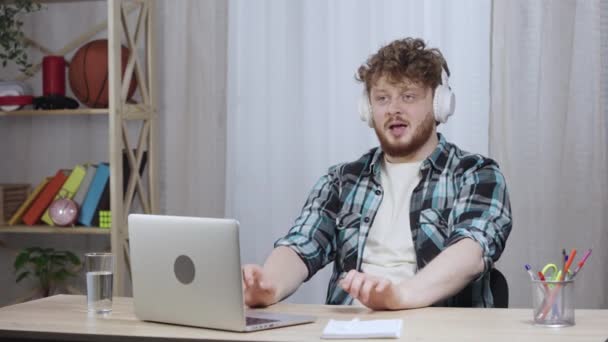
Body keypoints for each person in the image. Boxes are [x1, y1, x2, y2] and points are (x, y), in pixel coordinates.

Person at [242, 37, 512, 310]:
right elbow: (301, 244)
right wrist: (269, 285)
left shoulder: (476, 174)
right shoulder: (341, 181)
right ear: (368, 110)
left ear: (439, 103)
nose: (394, 109)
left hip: (435, 327)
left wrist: (401, 296)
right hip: (349, 328)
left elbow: (471, 252)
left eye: (408, 96)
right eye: (382, 98)